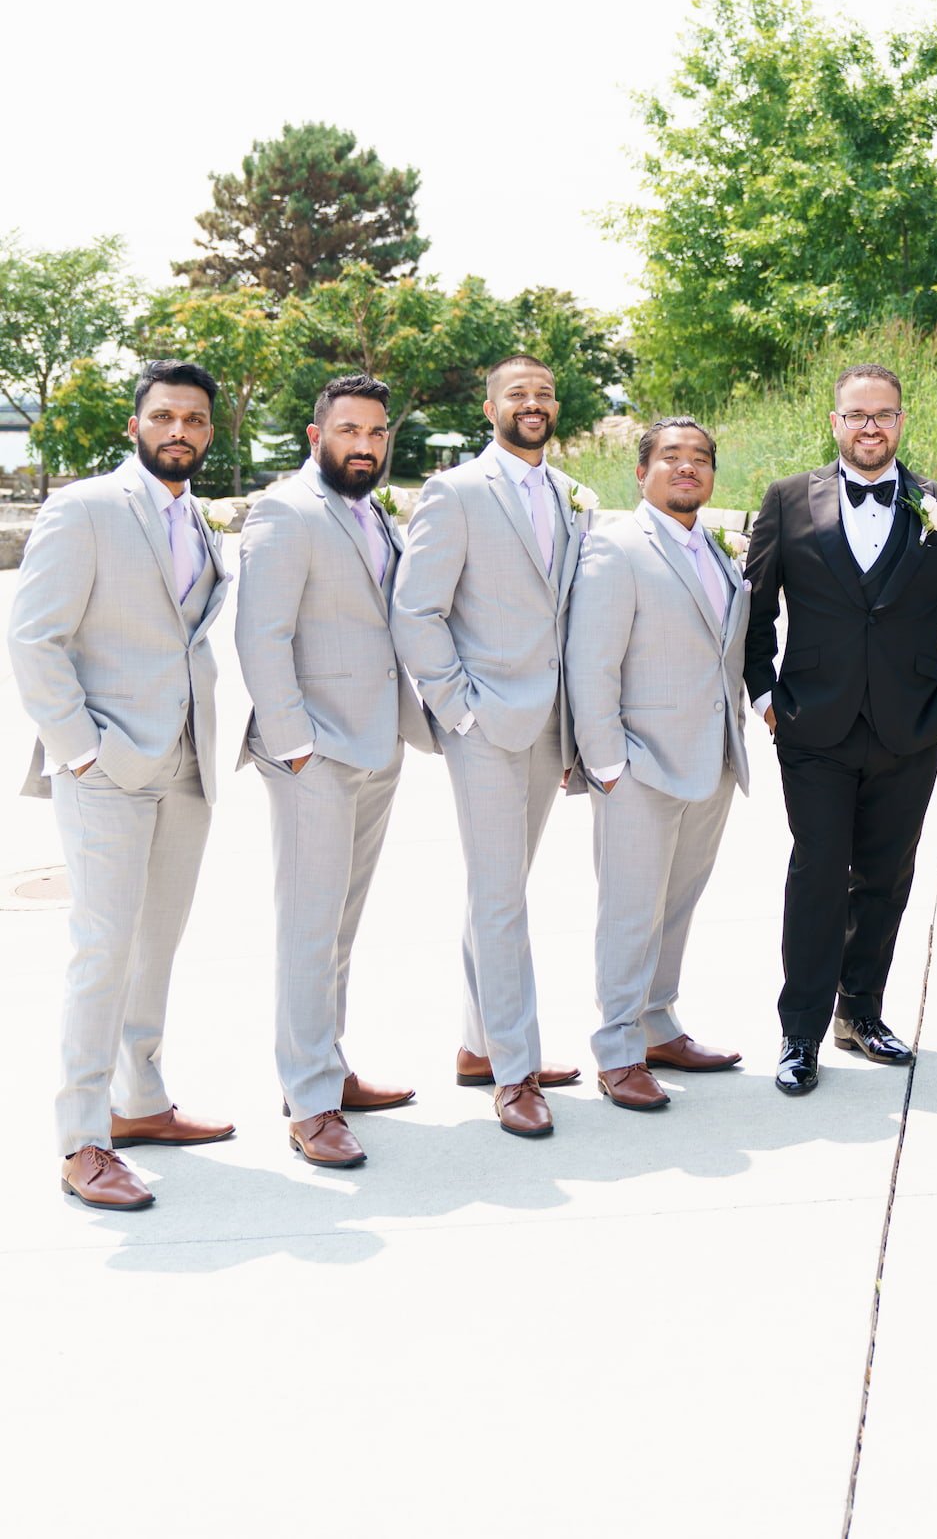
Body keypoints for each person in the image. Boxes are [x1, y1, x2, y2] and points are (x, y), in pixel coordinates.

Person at [9, 360, 234, 1209]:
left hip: (187, 763)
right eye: (166, 416)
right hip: (107, 767)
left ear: (210, 433)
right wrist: (79, 752)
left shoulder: (197, 517)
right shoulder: (86, 508)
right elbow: (35, 639)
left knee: (156, 945)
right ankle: (82, 1140)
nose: (182, 430)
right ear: (136, 424)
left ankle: (140, 1101)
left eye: (197, 420)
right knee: (102, 949)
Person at [743, 362, 937, 1096]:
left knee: (885, 877)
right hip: (813, 724)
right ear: (835, 422)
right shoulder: (788, 499)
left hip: (910, 727)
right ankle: (800, 1033)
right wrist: (763, 695)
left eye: (884, 414)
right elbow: (755, 608)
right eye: (857, 415)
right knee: (818, 874)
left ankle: (863, 1013)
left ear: (902, 422)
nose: (871, 426)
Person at [235, 373, 435, 1167]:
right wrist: (295, 745)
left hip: (375, 743)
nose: (365, 445)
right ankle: (309, 1100)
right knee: (309, 928)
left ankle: (328, 1067)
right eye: (349, 431)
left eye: (378, 432)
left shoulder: (371, 510)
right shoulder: (285, 510)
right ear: (316, 437)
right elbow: (262, 635)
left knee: (340, 928)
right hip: (313, 752)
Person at [393, 354, 588, 1138]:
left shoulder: (577, 496)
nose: (533, 403)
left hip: (551, 723)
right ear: (490, 407)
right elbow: (417, 610)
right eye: (518, 394)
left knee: (500, 888)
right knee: (503, 896)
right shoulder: (457, 492)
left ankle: (480, 1045)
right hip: (487, 723)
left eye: (543, 392)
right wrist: (458, 710)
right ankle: (516, 1070)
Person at [567, 417, 750, 1111]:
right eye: (671, 457)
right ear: (640, 472)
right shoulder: (616, 548)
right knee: (629, 911)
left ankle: (657, 1023)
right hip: (638, 766)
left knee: (676, 905)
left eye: (700, 458)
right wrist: (606, 764)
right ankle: (616, 1048)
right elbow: (592, 663)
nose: (687, 468)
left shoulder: (718, 550)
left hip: (711, 762)